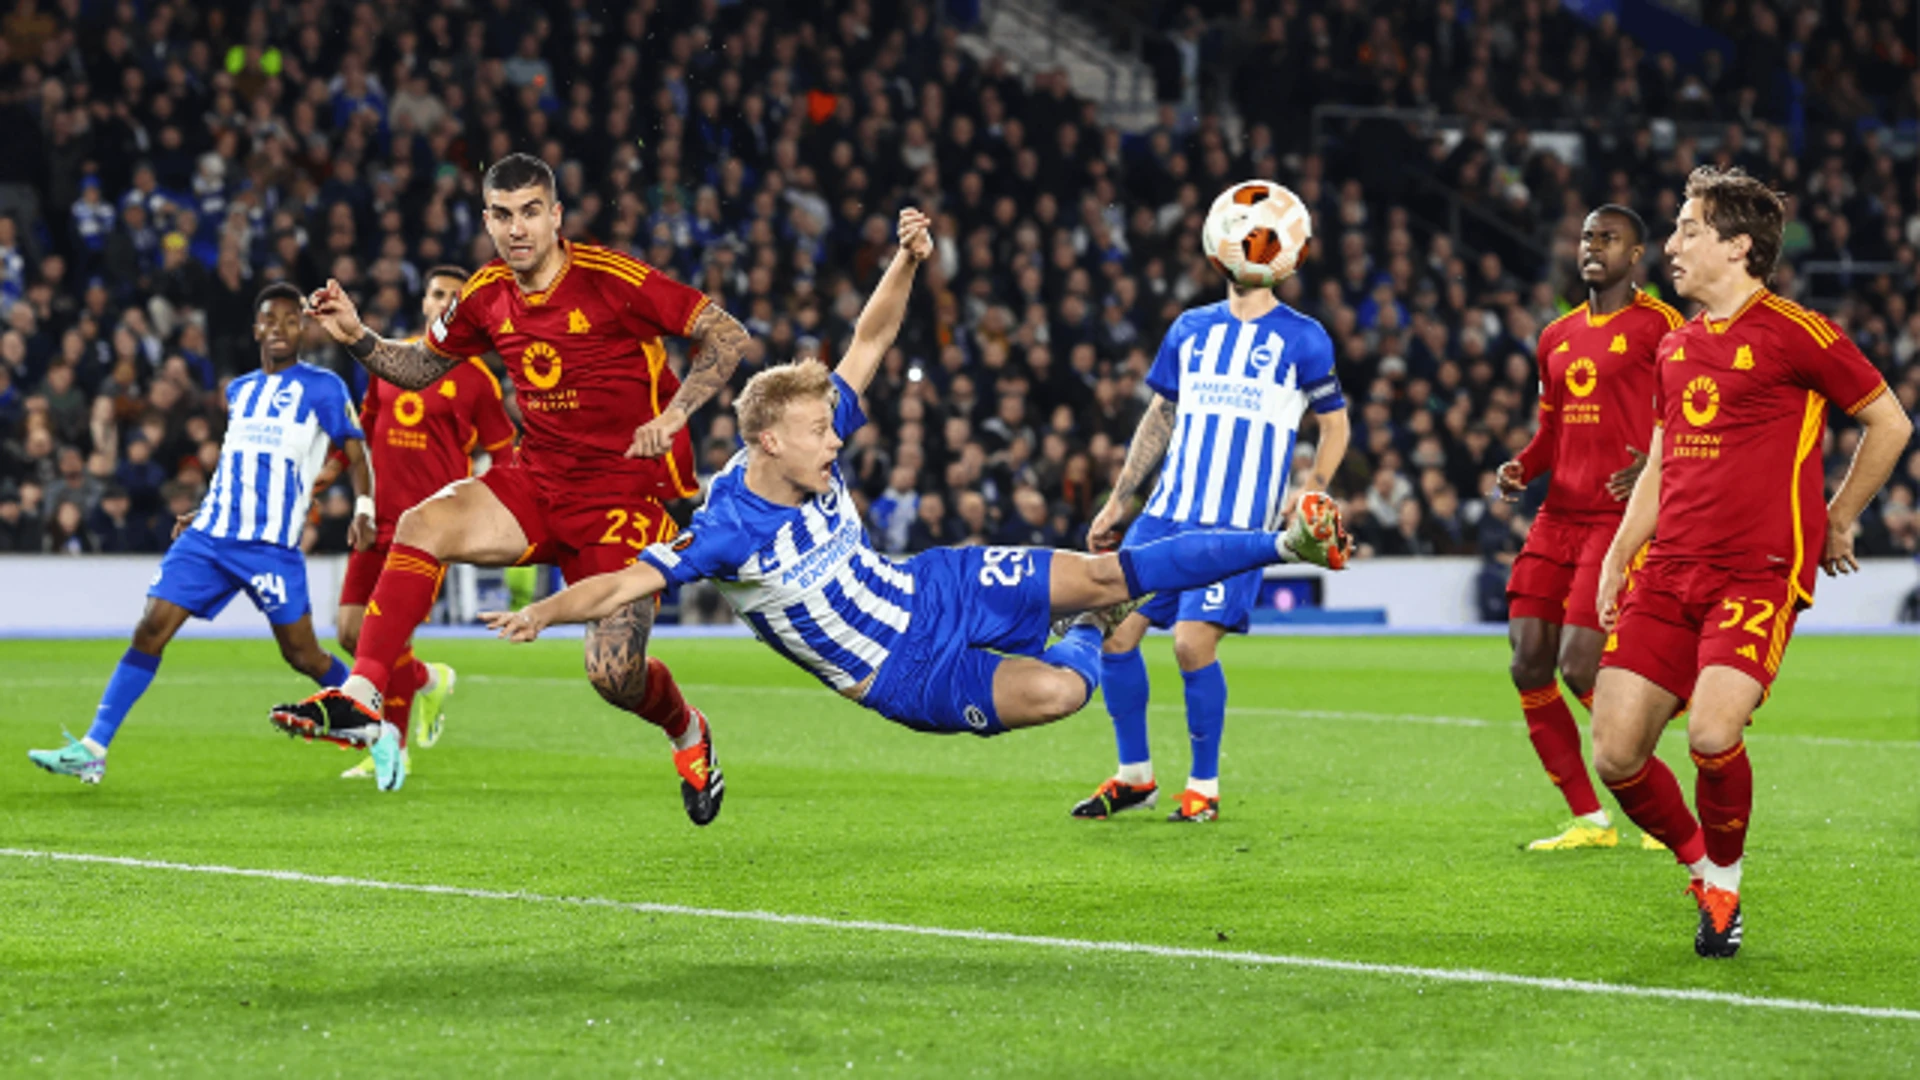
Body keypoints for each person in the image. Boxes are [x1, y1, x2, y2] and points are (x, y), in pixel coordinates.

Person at [479, 209, 1351, 766]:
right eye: (822, 432)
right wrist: (544, 613)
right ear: (768, 442)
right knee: (1061, 693)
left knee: (1108, 571)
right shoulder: (728, 528)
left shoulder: (807, 437)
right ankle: (1086, 639)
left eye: (833, 425)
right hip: (905, 674)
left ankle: (1283, 544)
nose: (838, 440)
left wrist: (905, 260)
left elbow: (869, 342)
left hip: (934, 583)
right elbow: (622, 582)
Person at [268, 153, 750, 817]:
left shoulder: (611, 279)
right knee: (420, 524)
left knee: (614, 675)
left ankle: (687, 729)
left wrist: (674, 415)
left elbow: (726, 334)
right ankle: (363, 696)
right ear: (488, 219)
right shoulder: (486, 293)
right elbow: (416, 368)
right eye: (503, 214)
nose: (518, 228)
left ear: (555, 217)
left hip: (623, 497)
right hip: (536, 481)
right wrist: (358, 337)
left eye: (531, 212)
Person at [1591, 167, 1911, 958]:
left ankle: (1726, 890)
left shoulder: (1797, 331)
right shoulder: (1674, 346)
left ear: (1737, 247)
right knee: (1616, 755)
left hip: (1756, 573)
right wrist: (1617, 555)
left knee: (1710, 731)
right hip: (1667, 574)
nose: (1670, 245)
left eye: (1688, 230)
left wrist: (1837, 518)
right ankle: (1701, 865)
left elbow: (1890, 423)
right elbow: (1662, 467)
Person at [1071, 192, 1353, 825]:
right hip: (1165, 514)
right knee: (1114, 635)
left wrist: (1313, 488)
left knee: (1192, 646)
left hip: (1236, 525)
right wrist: (1122, 498)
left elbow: (1334, 425)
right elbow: (1161, 414)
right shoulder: (1190, 329)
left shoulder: (1304, 338)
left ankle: (1204, 787)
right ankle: (1134, 775)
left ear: (1287, 258)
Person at [28, 283, 375, 785]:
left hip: (269, 546)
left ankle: (378, 729)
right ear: (256, 329)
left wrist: (364, 506)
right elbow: (235, 461)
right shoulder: (239, 390)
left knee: (303, 654)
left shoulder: (324, 387)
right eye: (269, 321)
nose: (279, 329)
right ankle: (93, 747)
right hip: (211, 536)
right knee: (151, 627)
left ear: (304, 329)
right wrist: (203, 508)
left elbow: (356, 450)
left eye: (290, 321)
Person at [1493, 205, 1682, 851]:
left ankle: (1646, 789)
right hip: (1558, 515)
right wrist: (1523, 465)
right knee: (1526, 662)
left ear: (1637, 256)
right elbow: (1552, 429)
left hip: (1618, 518)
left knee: (1580, 665)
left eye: (1610, 238)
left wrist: (1658, 465)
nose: (1594, 246)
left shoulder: (1663, 326)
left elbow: (1693, 412)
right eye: (1587, 237)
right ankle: (1589, 819)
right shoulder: (1555, 335)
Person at [323, 264, 518, 780]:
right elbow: (363, 427)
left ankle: (395, 747)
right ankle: (430, 680)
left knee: (389, 637)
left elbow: (505, 455)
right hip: (377, 519)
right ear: (426, 301)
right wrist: (336, 473)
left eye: (456, 297)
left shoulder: (478, 380)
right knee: (349, 631)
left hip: (428, 534)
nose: (444, 302)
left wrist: (489, 511)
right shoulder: (388, 358)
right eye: (437, 294)